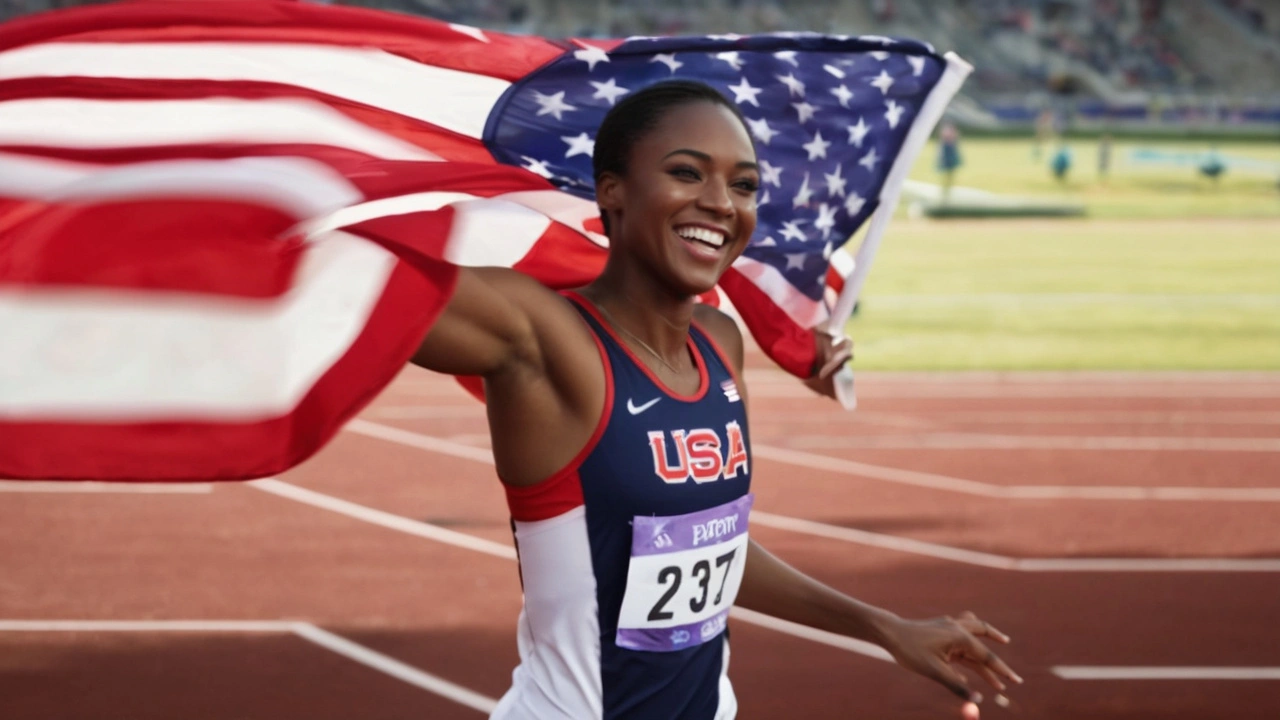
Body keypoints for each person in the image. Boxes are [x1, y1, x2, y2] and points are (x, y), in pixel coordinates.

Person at [410, 80, 1020, 719]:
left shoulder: (718, 343)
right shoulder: (548, 339)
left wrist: (884, 626)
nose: (721, 203)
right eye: (686, 173)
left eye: (745, 185)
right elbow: (361, 295)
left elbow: (711, 549)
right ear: (610, 189)